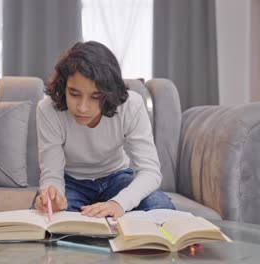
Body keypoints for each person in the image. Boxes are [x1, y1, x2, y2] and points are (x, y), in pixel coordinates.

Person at [34, 41, 175, 220]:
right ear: (63, 88)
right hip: (70, 182)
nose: (83, 108)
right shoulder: (48, 109)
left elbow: (150, 172)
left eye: (96, 97)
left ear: (109, 93)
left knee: (160, 207)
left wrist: (119, 204)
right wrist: (52, 195)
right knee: (46, 220)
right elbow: (52, 173)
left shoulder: (131, 105)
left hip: (116, 178)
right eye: (74, 94)